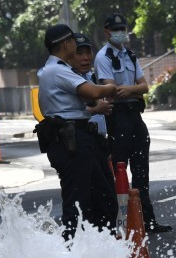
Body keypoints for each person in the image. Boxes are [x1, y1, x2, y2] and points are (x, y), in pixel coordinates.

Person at [37, 23, 118, 240]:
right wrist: (112, 87)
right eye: (74, 41)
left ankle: (100, 249)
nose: (77, 46)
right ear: (66, 44)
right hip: (72, 141)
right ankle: (74, 254)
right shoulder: (57, 70)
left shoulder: (55, 70)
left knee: (102, 198)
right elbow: (92, 91)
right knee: (79, 204)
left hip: (77, 138)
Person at [95, 12, 171, 233]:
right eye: (116, 29)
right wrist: (132, 90)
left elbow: (144, 86)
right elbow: (110, 89)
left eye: (123, 29)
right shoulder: (103, 57)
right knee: (119, 169)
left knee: (141, 171)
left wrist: (128, 90)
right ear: (107, 32)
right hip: (117, 118)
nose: (121, 33)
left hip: (134, 116)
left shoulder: (129, 54)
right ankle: (119, 222)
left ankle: (148, 221)